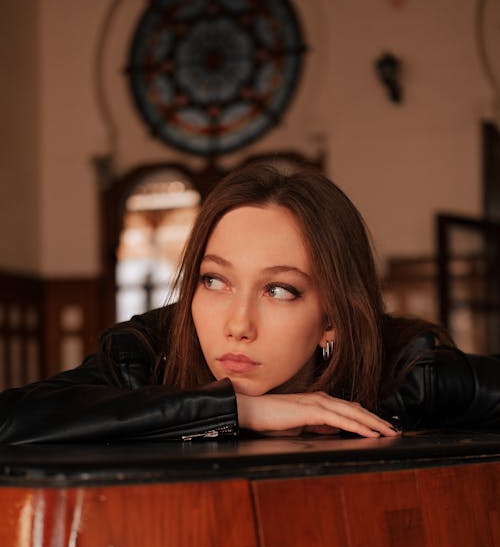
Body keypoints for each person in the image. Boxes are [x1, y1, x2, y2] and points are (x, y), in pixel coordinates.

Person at [1, 162, 499, 444]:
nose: (237, 325)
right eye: (215, 281)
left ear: (333, 320)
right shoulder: (143, 354)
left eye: (279, 290)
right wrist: (236, 410)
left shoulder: (404, 373)